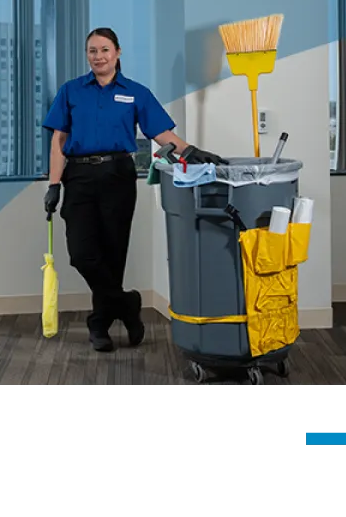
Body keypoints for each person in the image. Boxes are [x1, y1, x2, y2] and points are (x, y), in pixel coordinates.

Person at [42, 27, 226, 353]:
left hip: (118, 176)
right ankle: (127, 304)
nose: (98, 56)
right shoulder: (71, 91)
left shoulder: (136, 92)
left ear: (118, 52)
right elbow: (58, 142)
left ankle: (99, 324)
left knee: (112, 255)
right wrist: (54, 185)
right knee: (82, 254)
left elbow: (161, 132)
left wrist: (188, 150)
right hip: (80, 177)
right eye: (92, 51)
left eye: (104, 50)